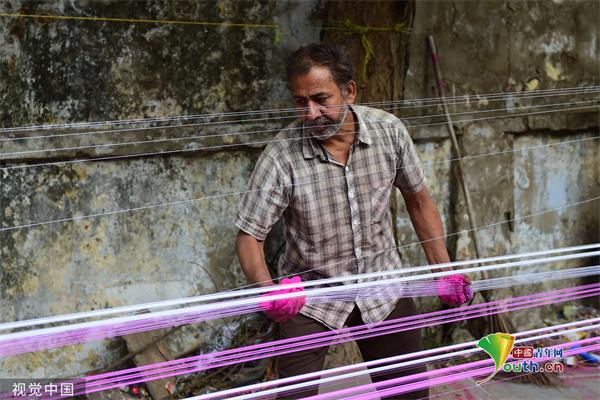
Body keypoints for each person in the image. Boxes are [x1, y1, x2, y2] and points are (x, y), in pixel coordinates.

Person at [234, 43, 471, 399]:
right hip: (311, 296)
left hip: (383, 286)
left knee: (409, 395)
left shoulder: (388, 132)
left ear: (349, 91)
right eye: (301, 102)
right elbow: (249, 236)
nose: (312, 113)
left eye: (321, 98)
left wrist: (444, 271)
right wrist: (269, 292)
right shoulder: (281, 156)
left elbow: (419, 201)